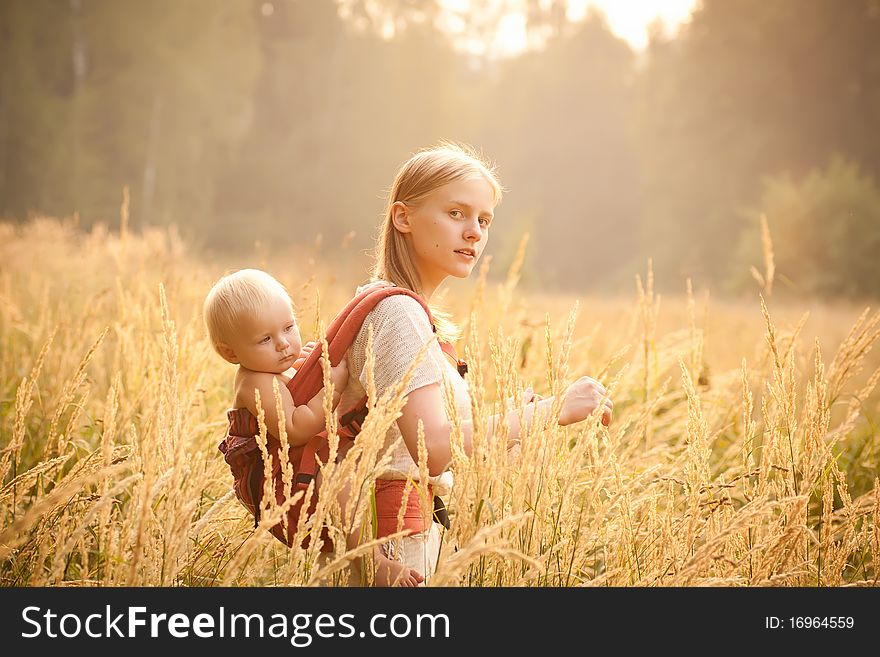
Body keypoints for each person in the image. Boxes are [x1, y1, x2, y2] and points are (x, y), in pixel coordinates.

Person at [338, 142, 614, 584]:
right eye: (456, 214)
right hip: (390, 546)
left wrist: (516, 416)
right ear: (403, 217)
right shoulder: (398, 314)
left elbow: (409, 437)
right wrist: (550, 410)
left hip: (393, 536)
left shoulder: (396, 308)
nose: (474, 233)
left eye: (483, 221)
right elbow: (432, 450)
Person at [204, 268, 425, 586]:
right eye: (265, 339)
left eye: (288, 328)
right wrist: (331, 388)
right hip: (282, 491)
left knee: (359, 461)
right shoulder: (255, 381)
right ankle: (370, 559)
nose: (283, 344)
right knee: (335, 473)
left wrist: (308, 365)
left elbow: (298, 392)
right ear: (231, 353)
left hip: (299, 468)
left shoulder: (273, 366)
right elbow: (295, 427)